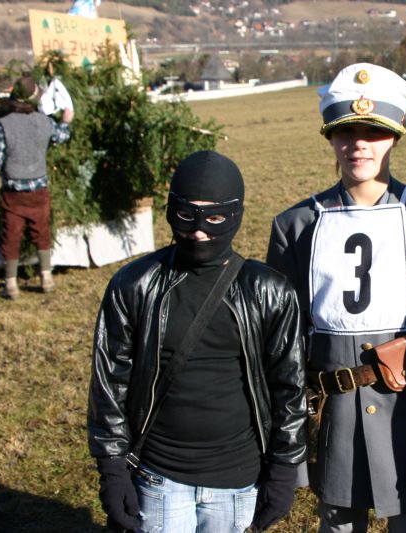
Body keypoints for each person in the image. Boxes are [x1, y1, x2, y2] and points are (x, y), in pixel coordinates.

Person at [267, 63, 406, 532]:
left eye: (373, 132)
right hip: (333, 417)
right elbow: (283, 346)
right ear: (330, 137)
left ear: (395, 137)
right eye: (346, 131)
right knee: (338, 521)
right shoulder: (295, 226)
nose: (358, 144)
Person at [87, 150, 306, 532]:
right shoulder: (134, 285)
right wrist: (112, 470)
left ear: (235, 214)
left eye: (215, 217)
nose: (200, 230)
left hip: (238, 482)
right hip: (158, 478)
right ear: (171, 211)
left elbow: (289, 387)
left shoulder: (270, 292)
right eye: (187, 215)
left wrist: (285, 469)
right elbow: (109, 383)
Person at [0, 76, 73, 299]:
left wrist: (8, 166)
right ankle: (47, 278)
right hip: (39, 190)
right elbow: (62, 136)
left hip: (13, 192)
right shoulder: (45, 122)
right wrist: (66, 120)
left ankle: (11, 284)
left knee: (11, 235)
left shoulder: (1, 125)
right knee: (41, 232)